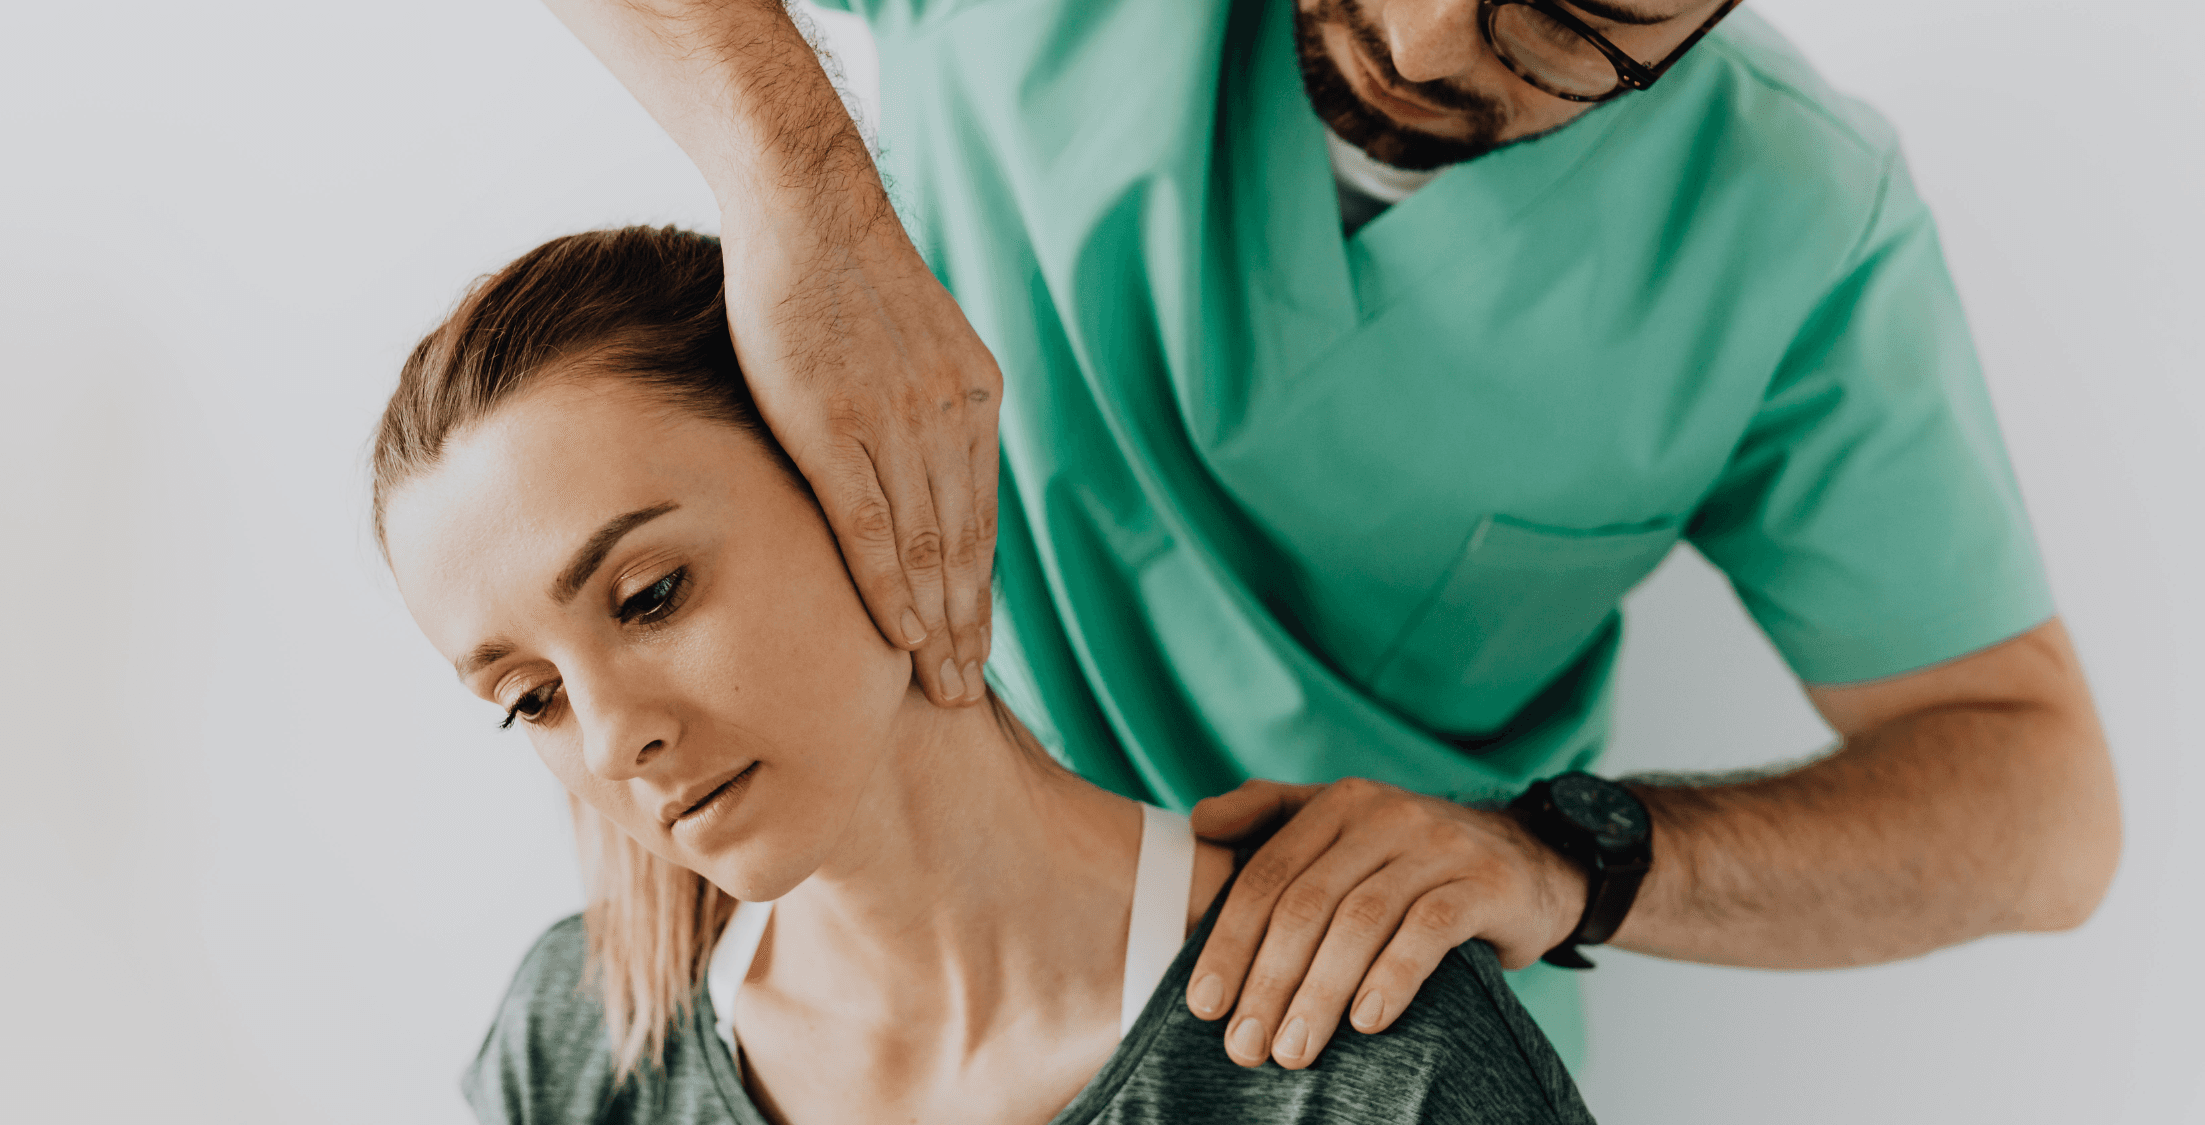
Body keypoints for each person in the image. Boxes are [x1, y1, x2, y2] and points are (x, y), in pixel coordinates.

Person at [537, 0, 2122, 1073]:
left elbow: (2040, 810)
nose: (1429, 38)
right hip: (862, 958)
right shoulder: (614, 1036)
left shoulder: (1790, 223)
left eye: (1577, 9)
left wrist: (1563, 854)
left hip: (1320, 1042)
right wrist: (800, 193)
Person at [372, 225, 1597, 1124]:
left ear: (885, 487)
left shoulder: (1365, 1051)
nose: (610, 740)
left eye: (650, 597)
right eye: (531, 697)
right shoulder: (582, 1044)